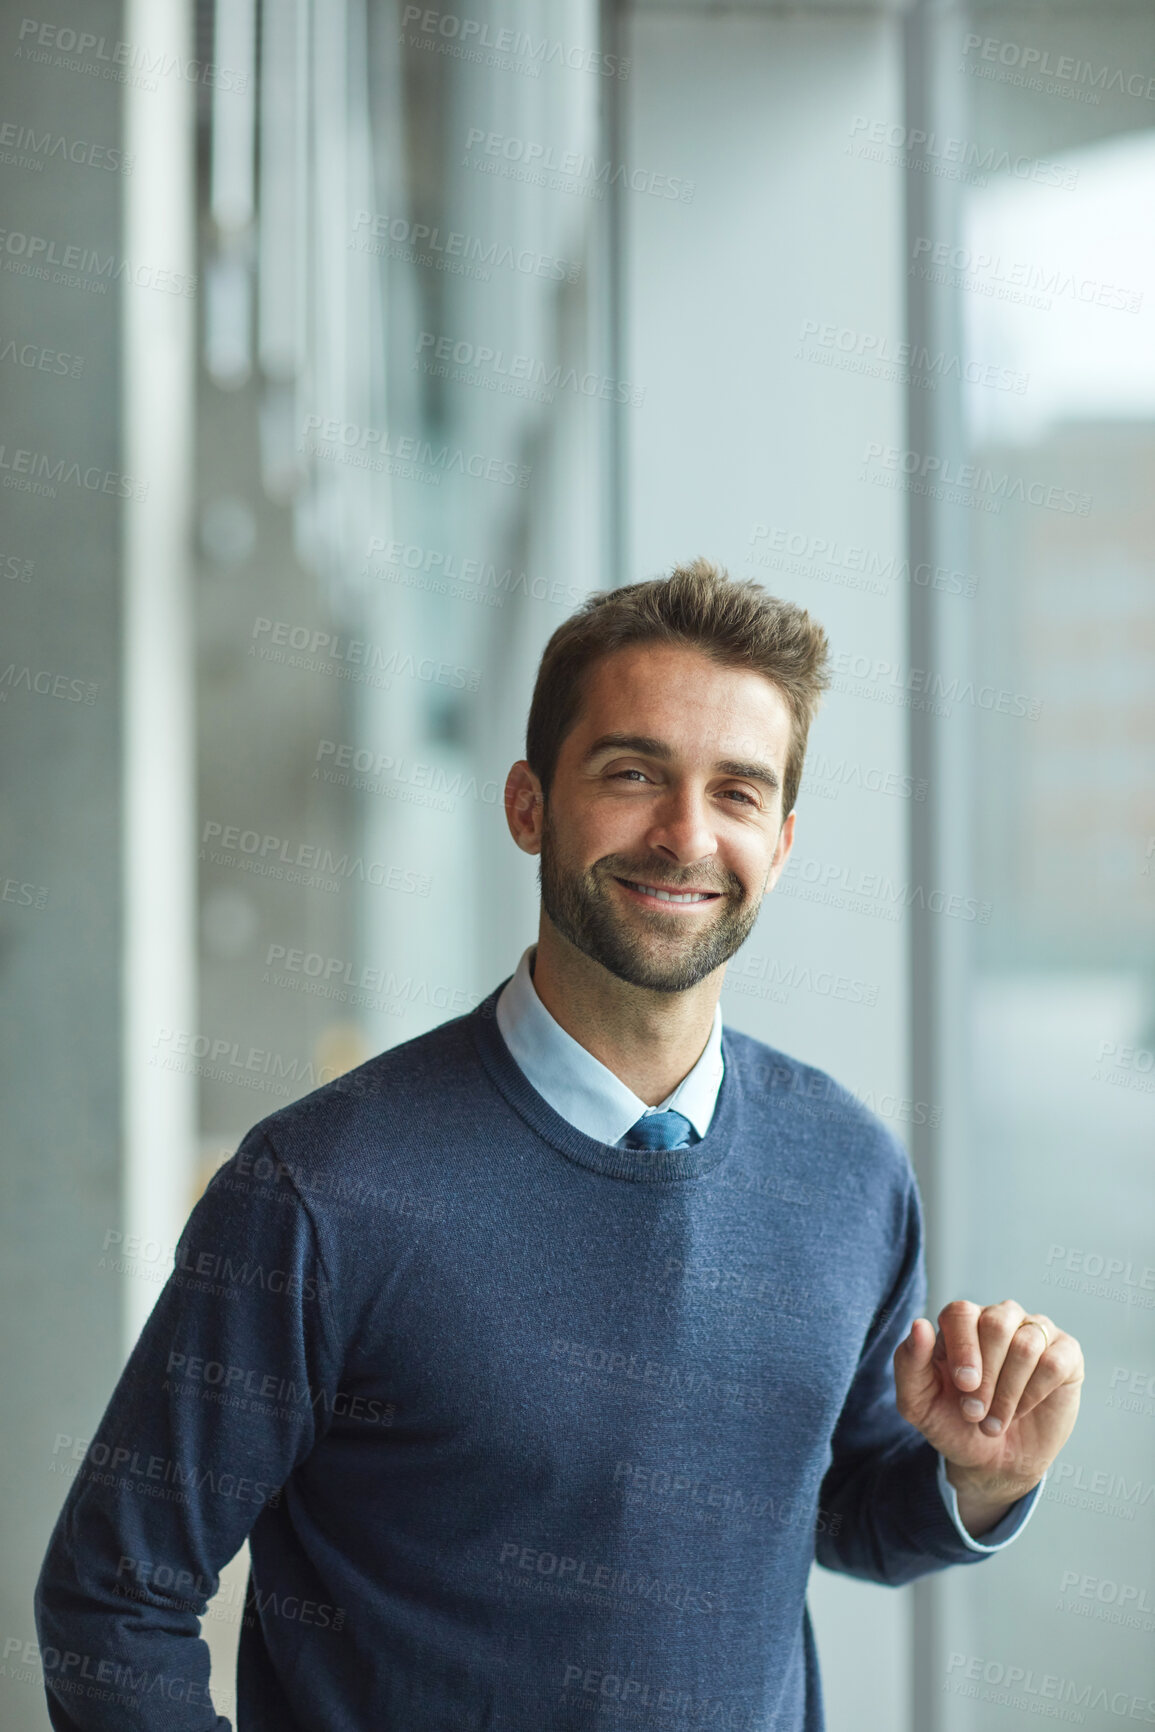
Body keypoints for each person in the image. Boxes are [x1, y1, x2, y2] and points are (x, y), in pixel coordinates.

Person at [35, 559, 1084, 1731]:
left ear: (780, 843)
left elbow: (837, 1511)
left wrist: (978, 1478)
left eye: (736, 793)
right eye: (633, 773)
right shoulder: (319, 1191)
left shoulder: (850, 1172)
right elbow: (113, 1599)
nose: (685, 835)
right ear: (529, 804)